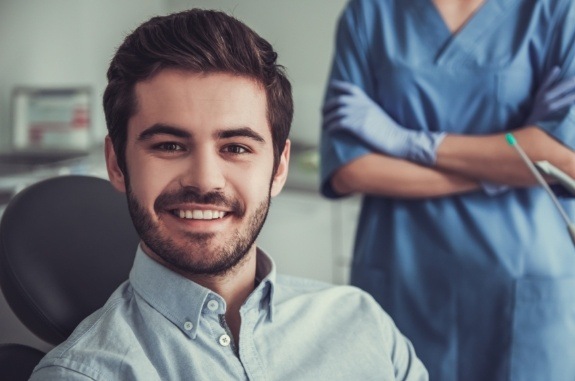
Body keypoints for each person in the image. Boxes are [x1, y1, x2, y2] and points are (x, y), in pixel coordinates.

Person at [29, 8, 428, 381]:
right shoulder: (83, 373)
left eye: (236, 148)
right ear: (117, 164)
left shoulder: (362, 321)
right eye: (169, 145)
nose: (205, 181)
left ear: (279, 167)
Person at [320, 0, 575, 380]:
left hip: (524, 287)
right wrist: (506, 165)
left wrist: (407, 142)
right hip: (403, 274)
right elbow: (349, 168)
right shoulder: (370, 13)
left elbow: (563, 158)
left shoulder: (556, 11)